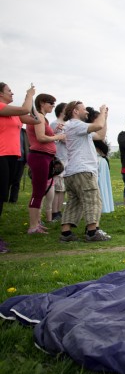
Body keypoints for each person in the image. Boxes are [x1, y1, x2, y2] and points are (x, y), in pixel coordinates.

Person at [59, 100, 111, 242]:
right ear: (75, 111)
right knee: (92, 199)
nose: (87, 112)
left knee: (74, 202)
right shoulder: (76, 125)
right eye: (84, 109)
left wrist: (104, 116)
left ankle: (66, 234)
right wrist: (101, 113)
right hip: (83, 170)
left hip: (72, 171)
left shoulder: (76, 127)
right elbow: (98, 125)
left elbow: (100, 135)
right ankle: (92, 232)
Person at [0, 82, 38, 252]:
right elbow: (24, 109)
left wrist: (34, 104)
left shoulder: (13, 114)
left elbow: (34, 119)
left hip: (12, 157)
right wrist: (29, 95)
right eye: (9, 91)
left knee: (3, 195)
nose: (12, 93)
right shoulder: (1, 108)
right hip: (1, 155)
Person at [25, 93, 65, 234]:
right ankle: (33, 226)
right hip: (40, 157)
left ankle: (36, 223)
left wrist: (54, 132)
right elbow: (41, 138)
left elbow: (41, 136)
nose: (53, 106)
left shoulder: (42, 118)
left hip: (44, 157)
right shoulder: (40, 117)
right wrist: (58, 136)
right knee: (38, 192)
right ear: (42, 103)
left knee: (40, 191)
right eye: (51, 103)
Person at [51, 102, 67, 222]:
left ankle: (59, 211)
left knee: (62, 189)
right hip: (58, 159)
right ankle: (54, 212)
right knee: (56, 188)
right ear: (61, 111)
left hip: (68, 159)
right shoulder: (54, 124)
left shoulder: (67, 125)